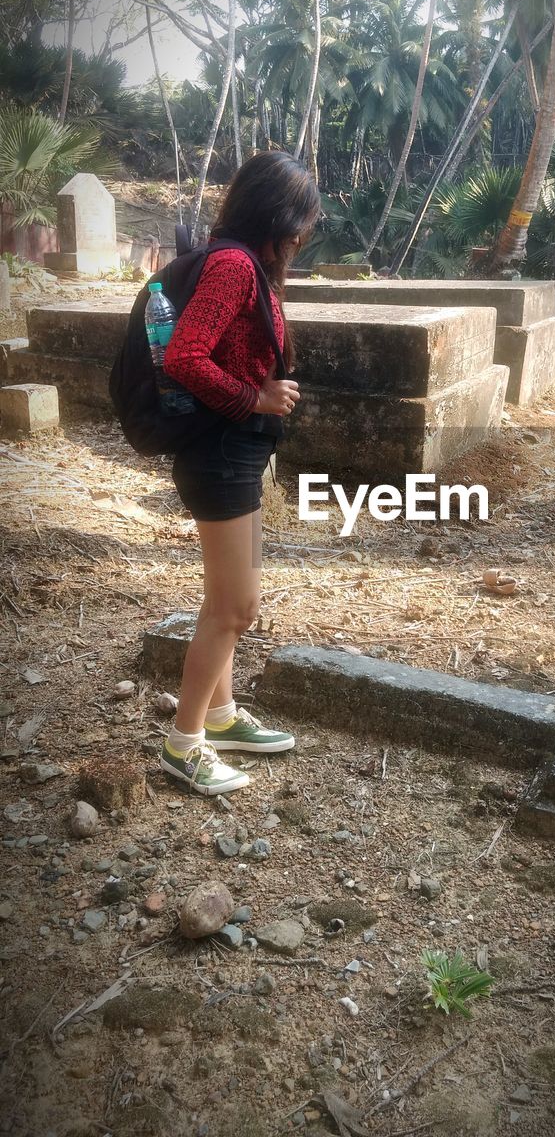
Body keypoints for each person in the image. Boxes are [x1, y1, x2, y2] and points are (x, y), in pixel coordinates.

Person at [158, 151, 321, 795]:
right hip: (219, 453)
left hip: (238, 454)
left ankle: (221, 717)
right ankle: (184, 742)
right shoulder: (231, 265)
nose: (303, 236)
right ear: (276, 215)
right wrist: (255, 397)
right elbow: (184, 356)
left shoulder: (248, 265)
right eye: (301, 222)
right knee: (238, 605)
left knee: (225, 599)